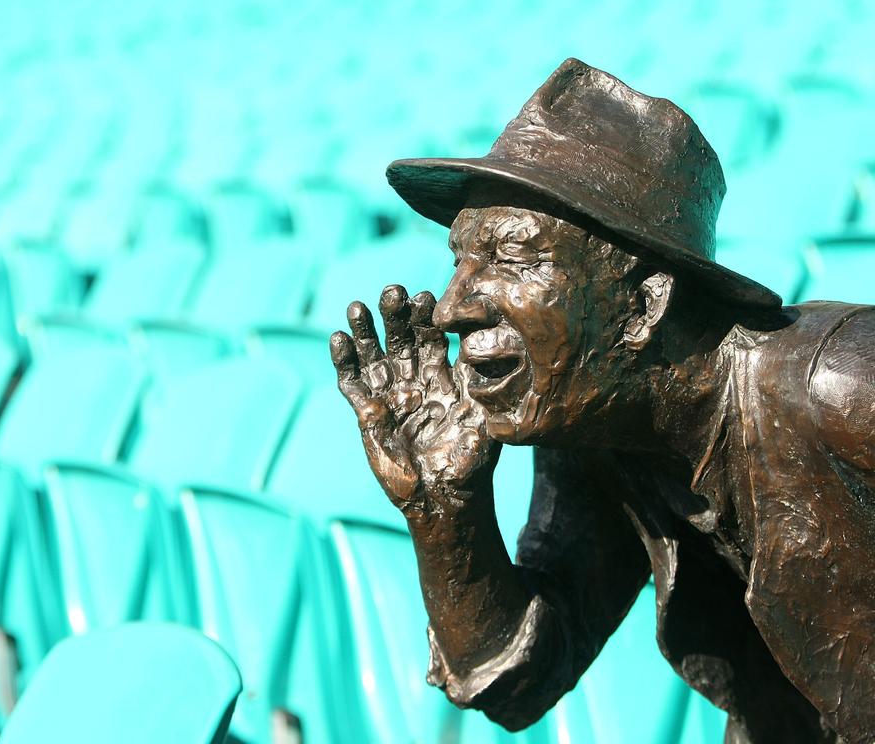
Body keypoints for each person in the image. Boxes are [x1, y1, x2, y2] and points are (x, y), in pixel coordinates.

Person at [329, 58, 875, 744]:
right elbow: (519, 681)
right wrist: (445, 512)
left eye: (512, 259)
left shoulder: (845, 382)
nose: (453, 306)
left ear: (645, 303)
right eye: (460, 260)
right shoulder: (598, 432)